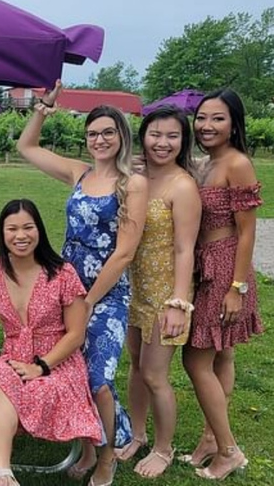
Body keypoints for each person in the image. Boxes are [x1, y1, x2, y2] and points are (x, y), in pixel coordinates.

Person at [16, 81, 147, 486]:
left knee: (97, 378)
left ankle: (107, 457)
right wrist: (43, 108)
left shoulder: (132, 184)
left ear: (121, 136)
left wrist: (90, 300)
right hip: (68, 288)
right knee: (71, 370)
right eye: (93, 133)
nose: (100, 139)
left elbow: (124, 252)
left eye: (108, 131)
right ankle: (90, 446)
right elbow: (28, 148)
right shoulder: (79, 173)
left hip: (104, 296)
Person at [0, 199, 103, 486]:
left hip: (58, 363)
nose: (20, 236)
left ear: (39, 230)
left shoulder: (62, 273)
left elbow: (76, 334)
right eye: (12, 229)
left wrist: (41, 367)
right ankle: (2, 475)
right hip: (13, 358)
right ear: (2, 233)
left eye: (28, 227)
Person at [116, 106, 201, 478]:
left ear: (183, 141)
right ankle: (136, 434)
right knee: (135, 366)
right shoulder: (137, 176)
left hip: (167, 293)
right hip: (136, 287)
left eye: (172, 136)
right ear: (143, 136)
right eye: (155, 134)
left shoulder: (182, 186)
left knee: (155, 374)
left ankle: (164, 448)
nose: (162, 143)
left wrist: (179, 303)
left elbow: (186, 248)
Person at [181, 88, 262, 480]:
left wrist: (237, 287)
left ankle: (228, 450)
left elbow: (247, 233)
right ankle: (210, 439)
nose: (207, 125)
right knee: (222, 356)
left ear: (234, 124)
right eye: (202, 117)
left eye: (218, 118)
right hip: (204, 266)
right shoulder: (204, 162)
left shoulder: (237, 163)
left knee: (196, 359)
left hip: (227, 270)